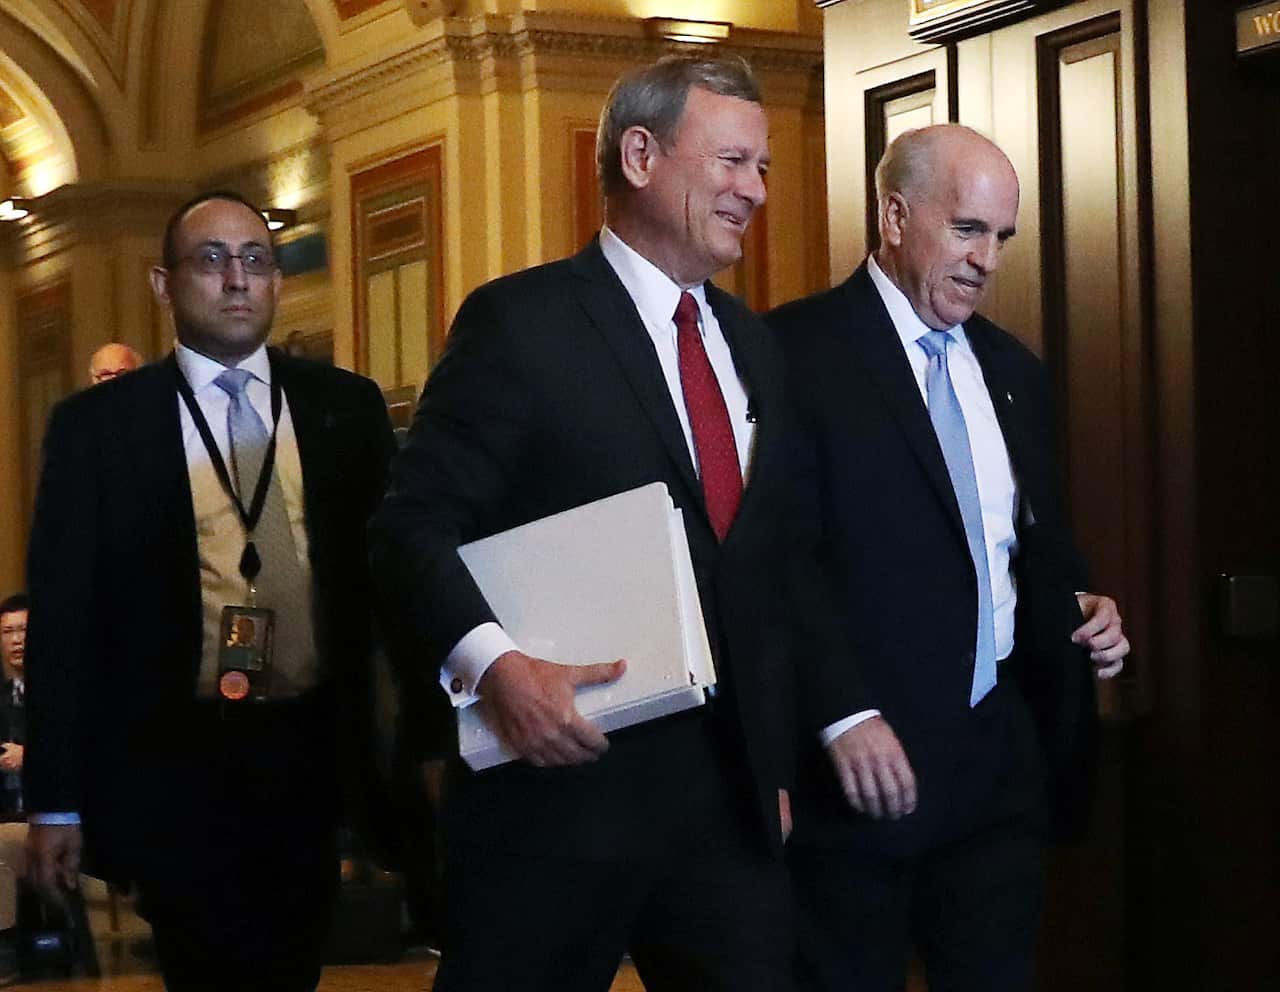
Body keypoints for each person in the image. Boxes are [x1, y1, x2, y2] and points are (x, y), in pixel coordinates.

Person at [370, 55, 824, 992]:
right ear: (643, 154)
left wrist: (773, 766)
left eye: (765, 168)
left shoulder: (755, 347)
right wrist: (495, 668)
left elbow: (771, 571)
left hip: (729, 817)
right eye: (733, 160)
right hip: (559, 800)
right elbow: (409, 525)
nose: (755, 190)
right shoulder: (521, 325)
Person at [766, 124, 1130, 992]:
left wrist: (1082, 605)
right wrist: (841, 714)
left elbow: (1028, 544)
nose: (986, 260)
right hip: (861, 766)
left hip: (999, 756)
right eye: (967, 229)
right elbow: (778, 560)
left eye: (1001, 238)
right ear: (894, 215)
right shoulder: (790, 353)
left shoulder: (1013, 368)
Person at [22, 191, 395, 992]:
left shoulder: (344, 409)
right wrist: (54, 801)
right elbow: (61, 622)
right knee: (205, 968)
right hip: (174, 757)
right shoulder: (98, 428)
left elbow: (390, 581)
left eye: (256, 260)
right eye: (212, 260)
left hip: (309, 746)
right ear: (165, 284)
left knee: (294, 963)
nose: (237, 280)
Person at [0, 595, 27, 820]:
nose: (16, 640)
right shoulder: (3, 695)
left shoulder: (62, 695)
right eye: (7, 632)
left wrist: (29, 757)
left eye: (23, 630)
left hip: (54, 823)